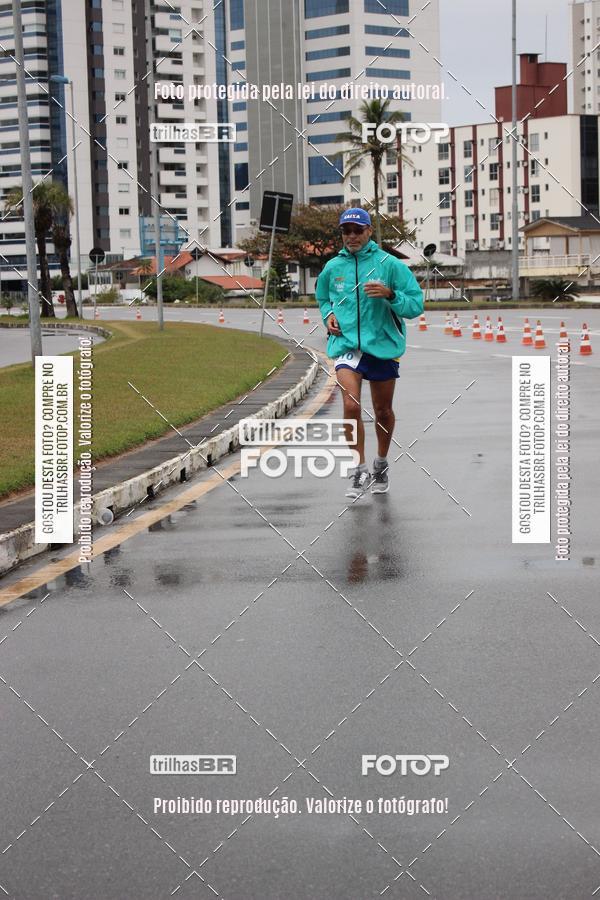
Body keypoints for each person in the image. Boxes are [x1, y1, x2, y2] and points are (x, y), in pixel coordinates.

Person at [315, 208, 424, 499]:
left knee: (382, 410)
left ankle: (381, 463)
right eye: (345, 231)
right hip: (346, 346)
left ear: (368, 232)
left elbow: (415, 305)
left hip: (383, 346)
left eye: (357, 230)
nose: (351, 236)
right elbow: (323, 297)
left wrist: (391, 295)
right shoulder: (332, 267)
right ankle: (358, 469)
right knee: (351, 406)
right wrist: (328, 316)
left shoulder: (390, 265)